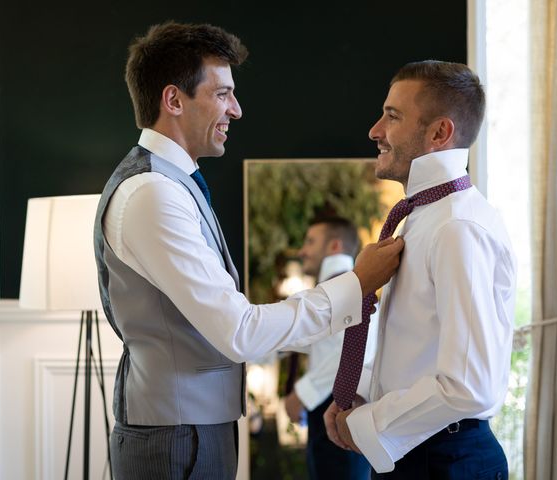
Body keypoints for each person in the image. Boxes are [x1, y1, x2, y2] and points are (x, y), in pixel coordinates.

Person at [93, 21, 405, 479]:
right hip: (177, 439)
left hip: (190, 430)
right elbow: (238, 331)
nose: (236, 110)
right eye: (222, 94)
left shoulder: (170, 186)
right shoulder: (152, 194)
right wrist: (356, 284)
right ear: (173, 100)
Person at [324, 60, 516, 479]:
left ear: (439, 133)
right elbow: (416, 343)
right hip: (421, 453)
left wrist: (368, 424)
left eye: (392, 116)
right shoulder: (423, 216)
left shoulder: (457, 228)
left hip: (445, 460)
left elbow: (468, 384)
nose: (375, 131)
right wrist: (359, 393)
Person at [284, 216, 371, 479]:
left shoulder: (347, 289)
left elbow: (356, 352)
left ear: (334, 246)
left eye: (310, 242)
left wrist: (302, 393)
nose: (302, 251)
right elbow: (321, 344)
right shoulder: (331, 290)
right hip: (326, 410)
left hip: (339, 410)